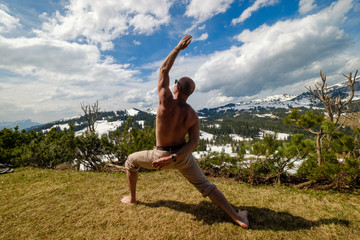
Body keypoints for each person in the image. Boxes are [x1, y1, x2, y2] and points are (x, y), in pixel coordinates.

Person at [121, 35, 249, 229]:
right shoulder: (193, 115)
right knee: (206, 186)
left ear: (177, 87)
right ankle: (237, 217)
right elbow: (193, 143)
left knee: (130, 161)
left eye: (175, 82)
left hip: (158, 155)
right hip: (182, 157)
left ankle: (132, 198)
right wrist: (174, 157)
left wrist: (178, 49)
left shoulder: (165, 100)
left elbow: (164, 69)